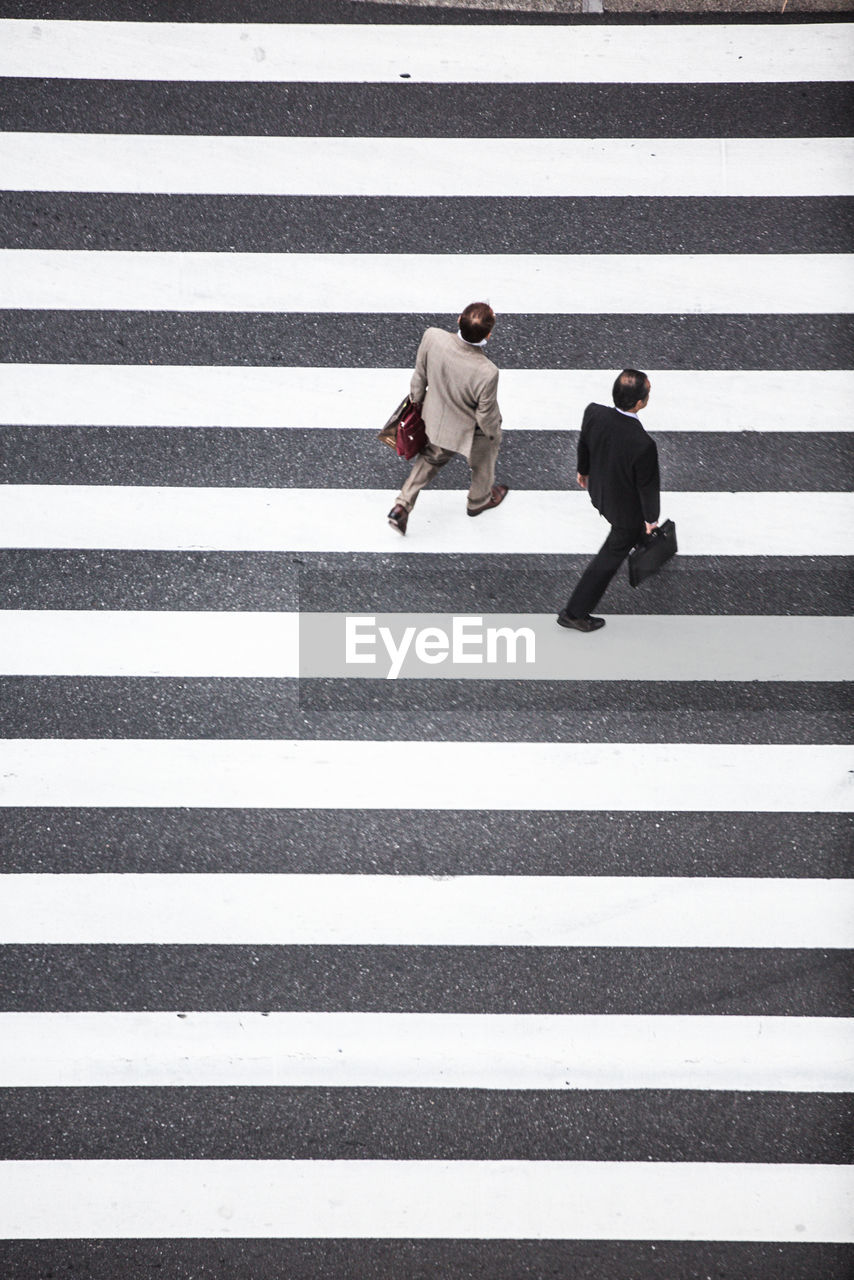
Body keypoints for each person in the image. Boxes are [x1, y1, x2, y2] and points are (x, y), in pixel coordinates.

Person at [387, 302, 508, 535]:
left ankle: (402, 505)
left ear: (459, 319)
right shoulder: (487, 371)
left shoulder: (433, 338)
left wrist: (417, 404)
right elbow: (485, 414)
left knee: (430, 460)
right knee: (483, 460)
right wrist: (494, 434)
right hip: (469, 429)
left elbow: (419, 377)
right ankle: (479, 500)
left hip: (435, 419)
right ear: (489, 335)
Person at [558, 369, 660, 633]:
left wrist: (583, 470)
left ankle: (639, 537)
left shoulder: (594, 412)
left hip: (600, 491)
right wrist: (651, 520)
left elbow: (584, 444)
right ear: (640, 403)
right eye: (647, 391)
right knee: (610, 556)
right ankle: (574, 612)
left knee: (626, 536)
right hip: (625, 511)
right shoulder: (643, 444)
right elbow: (647, 487)